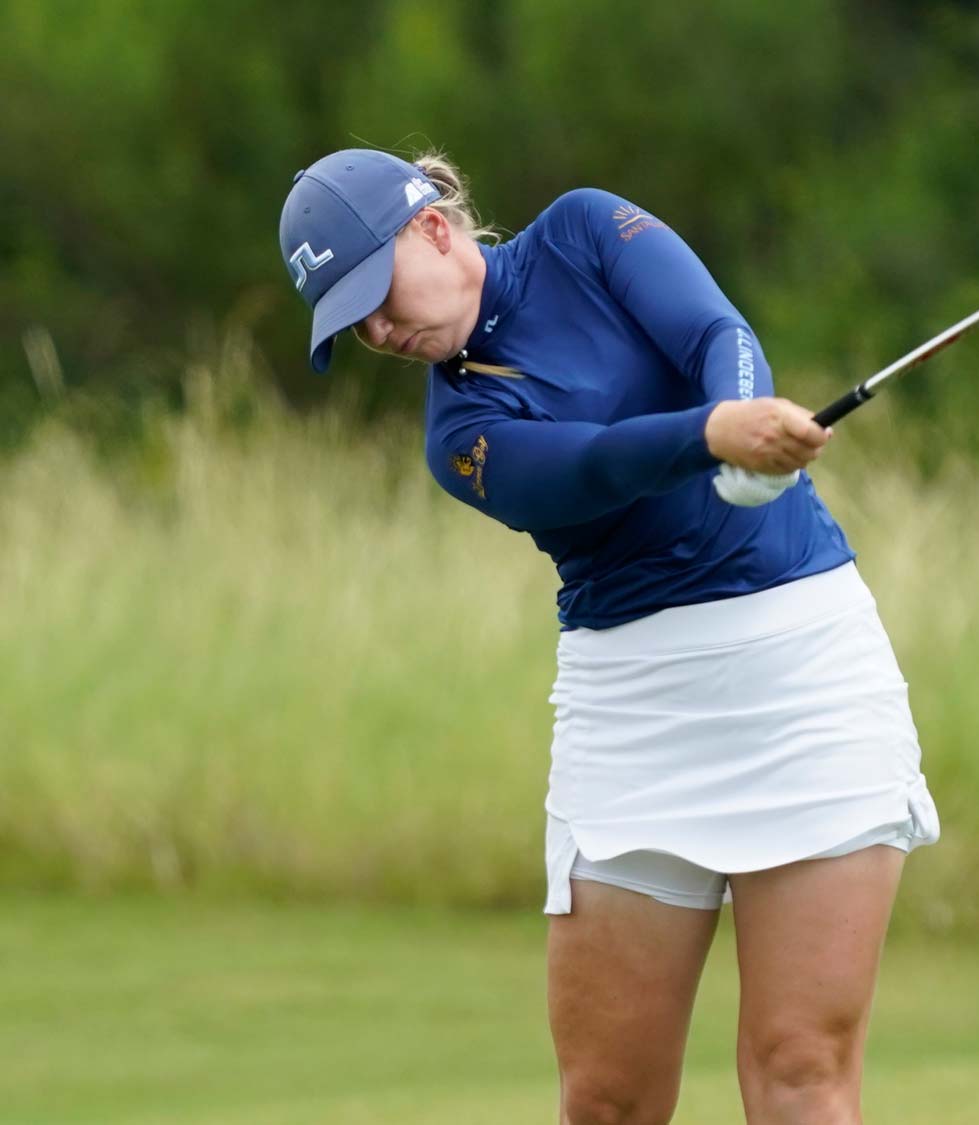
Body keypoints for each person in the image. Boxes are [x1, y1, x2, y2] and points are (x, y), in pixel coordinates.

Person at [278, 148, 941, 1125]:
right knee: (606, 1103)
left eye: (374, 293)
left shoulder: (585, 231)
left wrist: (741, 411)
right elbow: (588, 469)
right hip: (636, 713)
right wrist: (712, 438)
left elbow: (715, 329)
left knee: (801, 1073)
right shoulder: (458, 435)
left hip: (806, 675)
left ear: (429, 228)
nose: (378, 329)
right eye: (352, 322)